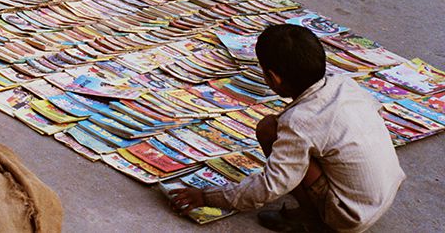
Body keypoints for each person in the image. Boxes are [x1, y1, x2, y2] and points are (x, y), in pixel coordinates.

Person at [169, 23, 404, 233]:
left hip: (349, 216)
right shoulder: (345, 84)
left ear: (273, 78)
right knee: (293, 134)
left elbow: (271, 186)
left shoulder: (299, 121)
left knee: (270, 130)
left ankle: (314, 220)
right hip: (383, 195)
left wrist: (207, 196)